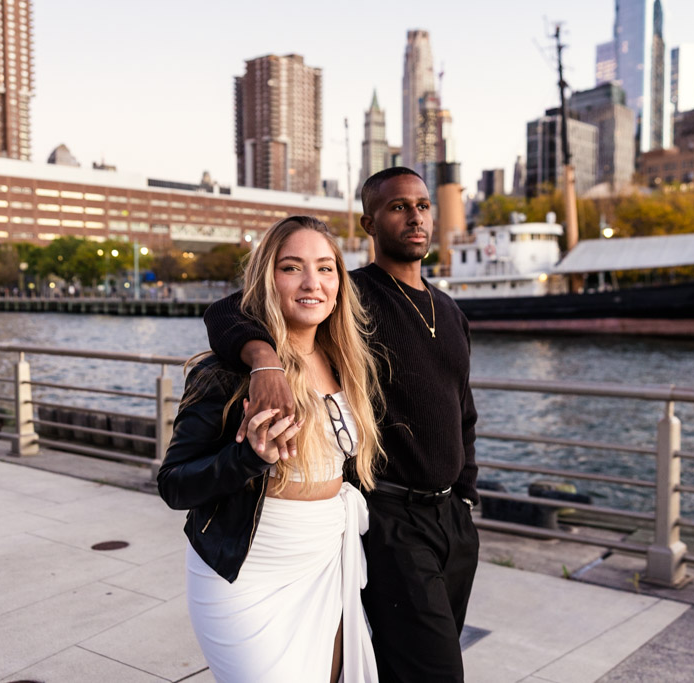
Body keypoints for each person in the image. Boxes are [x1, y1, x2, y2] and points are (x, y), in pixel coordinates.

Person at [204, 167, 479, 682]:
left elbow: (462, 408)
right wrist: (264, 360)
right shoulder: (354, 297)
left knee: (411, 664)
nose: (415, 216)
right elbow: (226, 311)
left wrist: (466, 495)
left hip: (453, 521)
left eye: (422, 205)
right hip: (393, 514)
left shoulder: (449, 309)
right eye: (398, 207)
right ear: (369, 222)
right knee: (437, 671)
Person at [158, 215, 383, 683]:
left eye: (325, 269)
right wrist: (250, 457)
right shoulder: (225, 372)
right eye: (290, 267)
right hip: (246, 576)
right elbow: (175, 484)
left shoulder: (347, 362)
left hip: (325, 562)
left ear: (340, 281)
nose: (311, 283)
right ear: (267, 278)